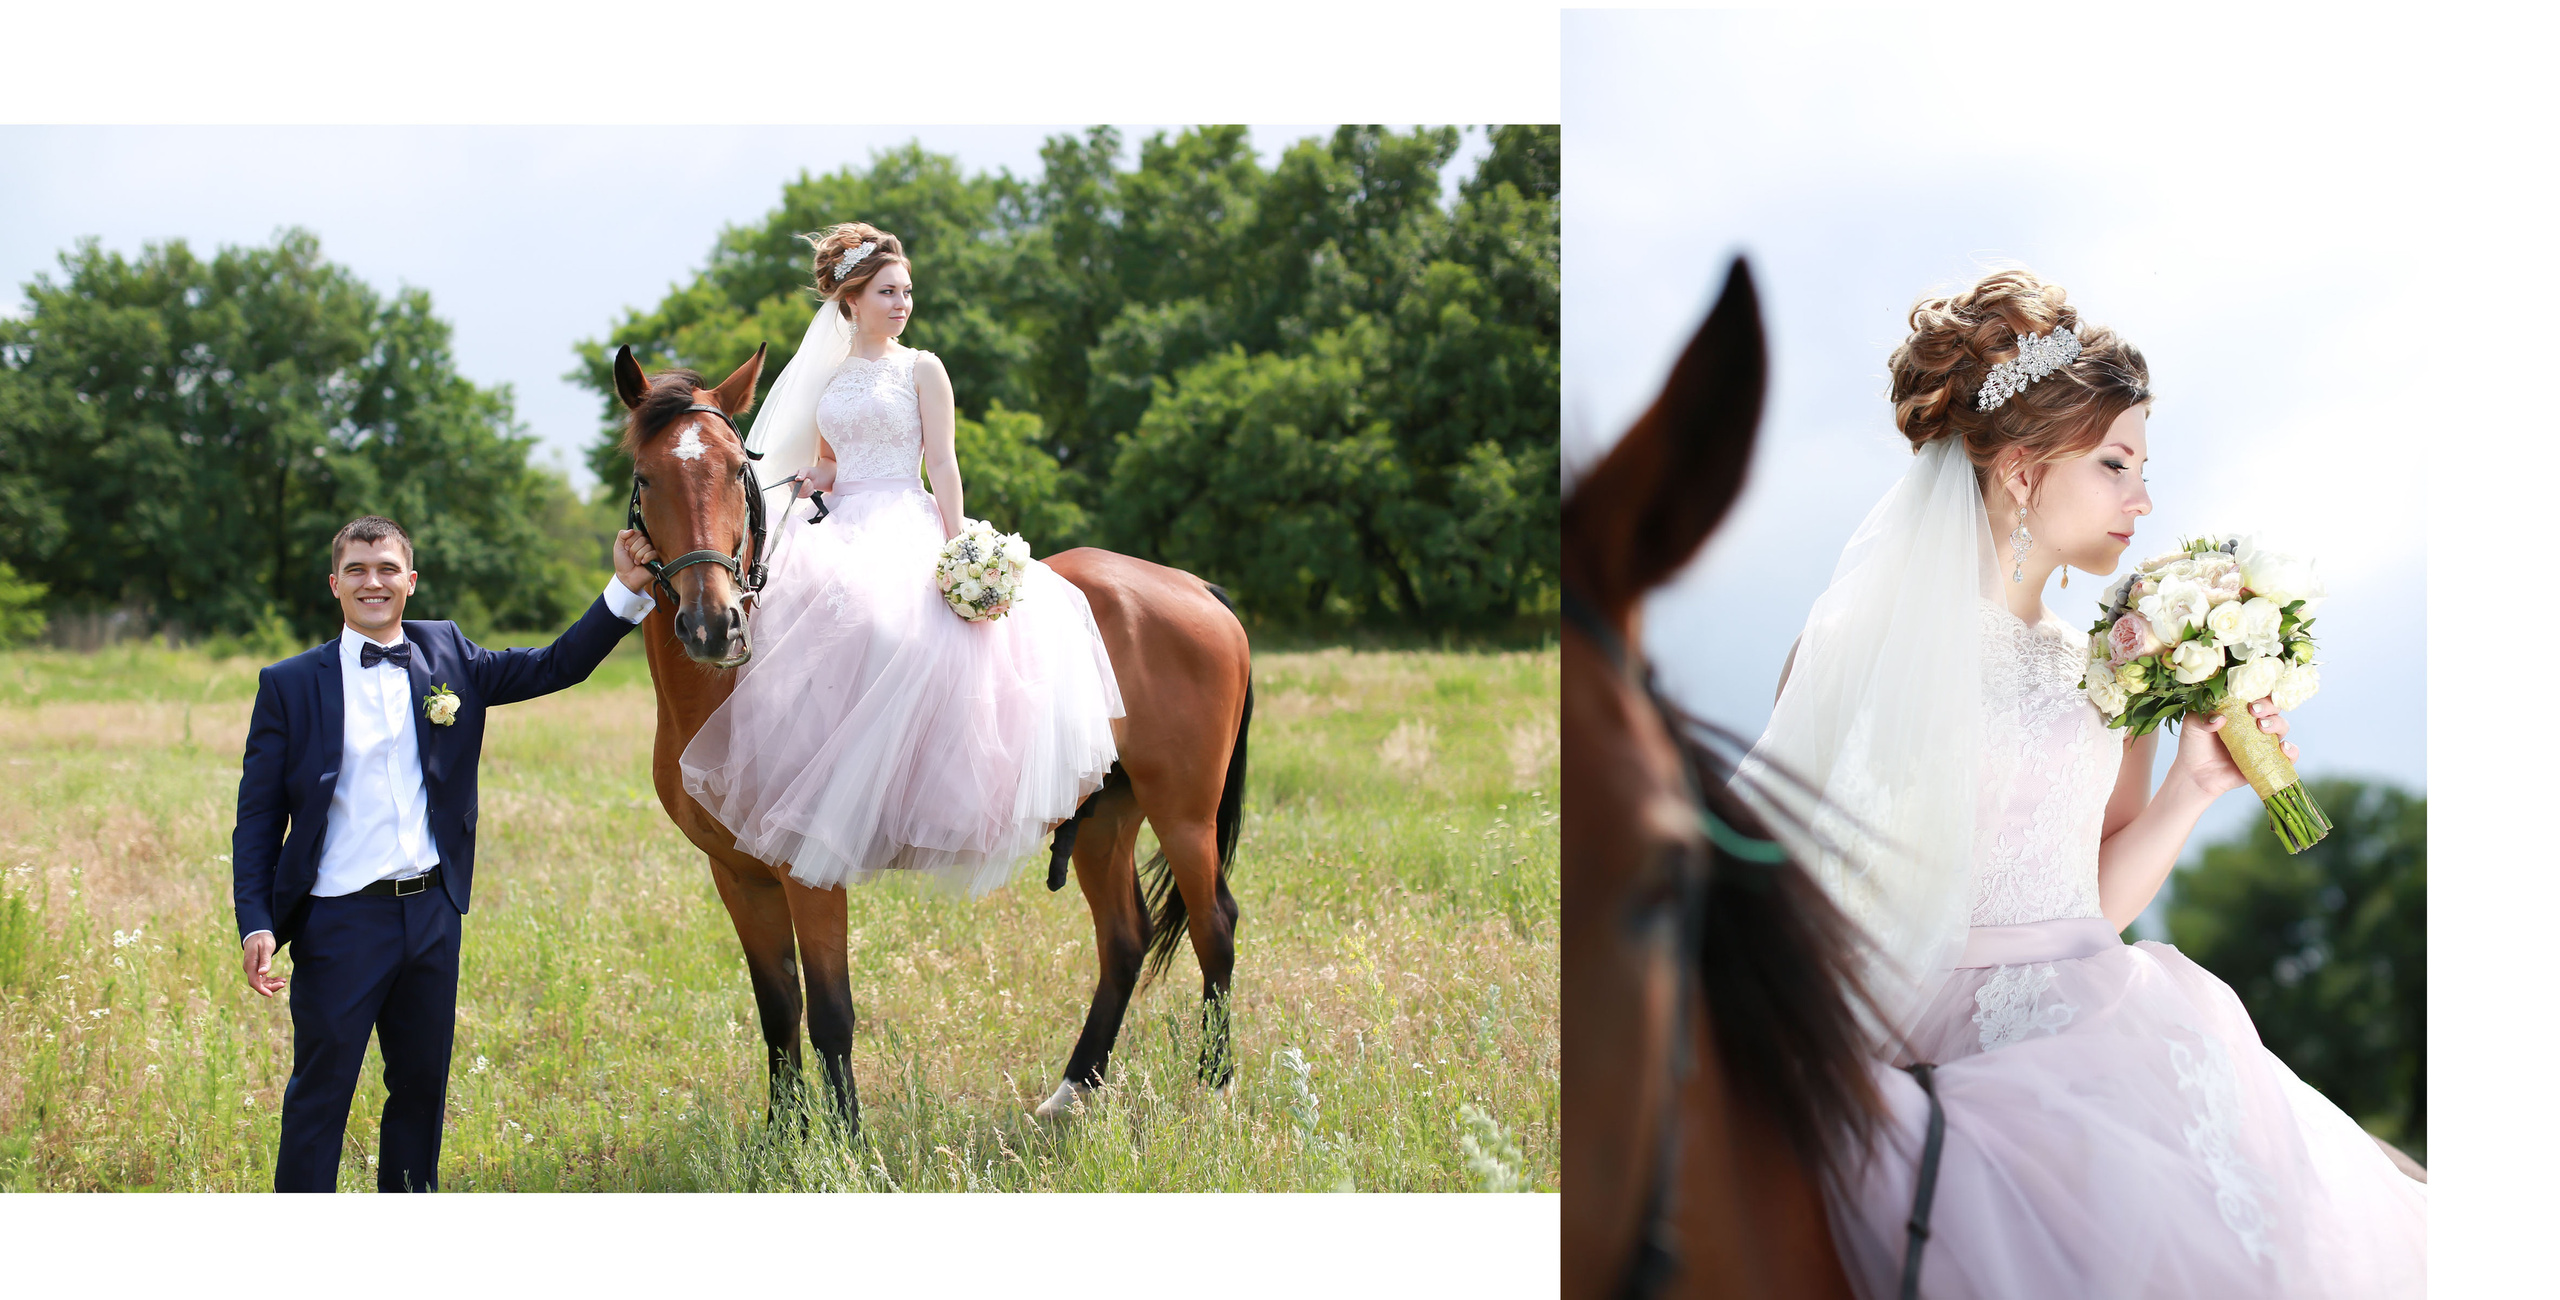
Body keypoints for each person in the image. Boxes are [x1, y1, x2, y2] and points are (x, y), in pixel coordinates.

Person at [1745, 269, 2424, 1295]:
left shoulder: (2104, 667)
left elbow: (2083, 912)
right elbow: (1790, 895)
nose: (2142, 501)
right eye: (2114, 463)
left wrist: (2192, 788)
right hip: (1923, 1058)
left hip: (2103, 1037)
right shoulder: (1859, 648)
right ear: (2020, 472)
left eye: (2143, 467)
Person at [678, 222, 1122, 896]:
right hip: (839, 519)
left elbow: (941, 461)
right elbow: (829, 460)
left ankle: (908, 799)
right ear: (851, 299)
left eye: (907, 292)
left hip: (906, 517)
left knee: (898, 633)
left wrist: (959, 547)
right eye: (888, 291)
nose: (902, 303)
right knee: (795, 637)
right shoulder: (826, 377)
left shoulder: (923, 368)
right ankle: (825, 791)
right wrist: (813, 479)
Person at [233, 515, 661, 1192]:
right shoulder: (290, 684)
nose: (372, 582)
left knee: (422, 1092)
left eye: (385, 568)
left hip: (431, 915)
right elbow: (258, 817)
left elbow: (557, 663)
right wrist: (256, 919)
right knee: (321, 1097)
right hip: (337, 922)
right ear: (334, 585)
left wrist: (625, 589)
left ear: (410, 579)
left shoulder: (449, 655)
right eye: (356, 570)